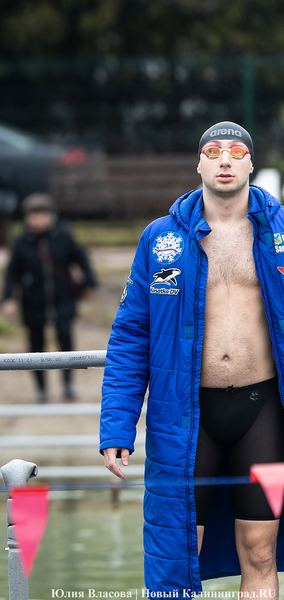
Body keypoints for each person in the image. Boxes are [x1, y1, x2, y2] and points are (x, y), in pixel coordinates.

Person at [100, 121, 284, 597]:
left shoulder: (280, 232)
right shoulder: (160, 238)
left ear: (251, 164)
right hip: (184, 419)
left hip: (264, 415)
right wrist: (117, 428)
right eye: (213, 151)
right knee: (179, 553)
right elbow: (130, 337)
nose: (224, 160)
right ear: (198, 163)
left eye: (236, 152)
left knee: (261, 553)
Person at [1, 193, 96, 403]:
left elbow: (82, 259)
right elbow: (11, 272)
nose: (37, 219)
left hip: (63, 301)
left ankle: (68, 385)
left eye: (41, 214)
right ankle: (41, 389)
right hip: (33, 303)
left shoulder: (64, 237)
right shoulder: (21, 243)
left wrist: (89, 283)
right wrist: (8, 298)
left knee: (66, 343)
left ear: (50, 215)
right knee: (36, 347)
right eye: (32, 214)